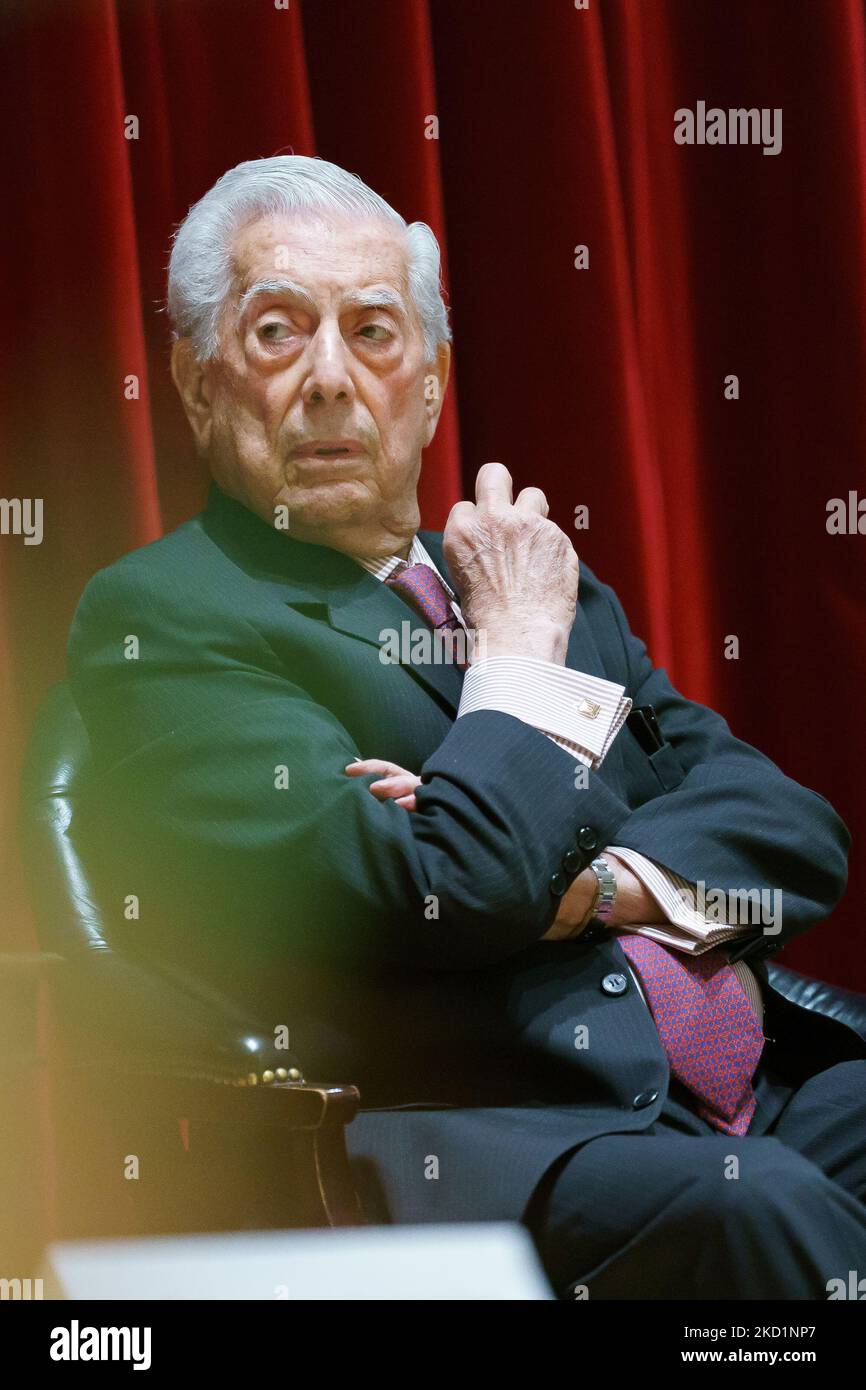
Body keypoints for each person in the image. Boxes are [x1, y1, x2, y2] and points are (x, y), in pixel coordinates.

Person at [68, 155, 866, 1299]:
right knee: (764, 1207)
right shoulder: (168, 618)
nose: (332, 379)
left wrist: (597, 888)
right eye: (279, 332)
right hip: (496, 1131)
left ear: (433, 386)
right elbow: (449, 888)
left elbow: (791, 829)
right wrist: (514, 666)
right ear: (197, 384)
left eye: (375, 333)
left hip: (741, 1087)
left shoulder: (525, 582)